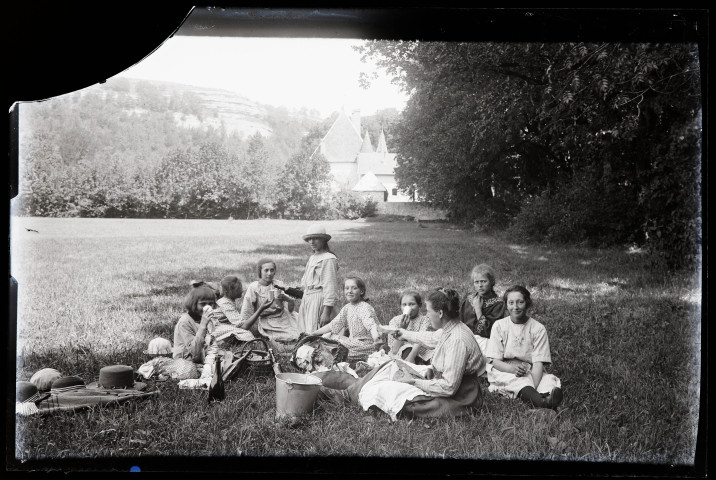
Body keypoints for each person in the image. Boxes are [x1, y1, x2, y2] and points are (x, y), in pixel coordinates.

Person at [314, 288, 486, 419]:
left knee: (394, 390)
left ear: (440, 313)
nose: (426, 314)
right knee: (392, 365)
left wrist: (413, 381)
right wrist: (402, 333)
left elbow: (449, 387)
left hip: (461, 396)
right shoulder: (452, 327)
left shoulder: (457, 339)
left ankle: (346, 394)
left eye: (428, 311)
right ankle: (349, 390)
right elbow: (432, 338)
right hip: (447, 384)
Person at [485, 285, 563, 409]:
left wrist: (533, 384)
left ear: (527, 303)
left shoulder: (538, 328)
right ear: (506, 305)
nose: (515, 307)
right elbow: (496, 361)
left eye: (520, 302)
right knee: (518, 381)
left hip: (531, 369)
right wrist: (513, 369)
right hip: (506, 369)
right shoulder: (499, 326)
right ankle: (543, 403)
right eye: (511, 303)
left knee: (548, 380)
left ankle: (542, 399)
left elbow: (538, 363)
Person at [174, 281, 270, 365]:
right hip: (187, 360)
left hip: (203, 356)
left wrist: (216, 354)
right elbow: (194, 353)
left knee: (230, 357)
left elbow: (211, 343)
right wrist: (203, 326)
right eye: (203, 304)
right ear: (193, 304)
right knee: (193, 371)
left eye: (210, 303)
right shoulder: (185, 321)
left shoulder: (209, 319)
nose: (207, 307)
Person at [311, 276, 382, 362]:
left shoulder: (364, 307)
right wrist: (314, 333)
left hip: (366, 344)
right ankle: (340, 354)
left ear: (361, 291)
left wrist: (376, 338)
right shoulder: (347, 308)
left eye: (354, 288)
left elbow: (371, 325)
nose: (349, 291)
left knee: (335, 341)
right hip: (353, 343)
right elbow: (333, 325)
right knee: (329, 337)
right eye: (347, 288)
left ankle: (346, 355)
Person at [240, 258, 301, 353]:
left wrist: (289, 300)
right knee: (288, 336)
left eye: (272, 270)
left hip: (284, 315)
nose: (269, 273)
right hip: (268, 320)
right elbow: (246, 312)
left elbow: (290, 309)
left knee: (303, 330)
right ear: (260, 271)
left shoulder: (278, 284)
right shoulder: (254, 288)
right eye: (266, 270)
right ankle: (285, 346)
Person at [295, 224, 340, 333]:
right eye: (309, 239)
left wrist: (326, 312)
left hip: (319, 300)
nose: (312, 242)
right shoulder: (313, 257)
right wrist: (301, 288)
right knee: (306, 331)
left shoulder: (328, 259)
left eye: (315, 238)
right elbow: (308, 279)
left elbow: (330, 286)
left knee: (317, 331)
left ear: (324, 240)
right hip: (308, 299)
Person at [459, 263, 506, 353]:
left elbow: (489, 332)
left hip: (484, 341)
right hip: (465, 338)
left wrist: (478, 311)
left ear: (491, 282)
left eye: (484, 281)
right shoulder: (469, 300)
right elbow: (460, 321)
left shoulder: (498, 304)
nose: (480, 285)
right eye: (476, 282)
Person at [380, 290, 434, 364]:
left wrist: (411, 358)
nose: (408, 307)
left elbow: (420, 340)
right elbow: (395, 350)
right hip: (402, 353)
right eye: (404, 305)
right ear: (400, 306)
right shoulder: (395, 321)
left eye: (412, 304)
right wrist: (401, 328)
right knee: (407, 348)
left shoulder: (425, 320)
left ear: (419, 305)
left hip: (422, 353)